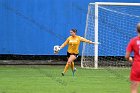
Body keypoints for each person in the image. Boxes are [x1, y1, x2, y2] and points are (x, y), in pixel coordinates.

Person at [125, 23, 140, 93]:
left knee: (134, 90)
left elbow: (127, 56)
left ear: (136, 30)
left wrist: (130, 59)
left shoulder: (133, 41)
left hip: (137, 66)